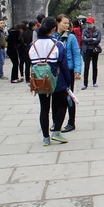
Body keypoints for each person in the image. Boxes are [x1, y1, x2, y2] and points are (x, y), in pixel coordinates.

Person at [29, 17, 71, 146]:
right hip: (56, 78)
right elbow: (64, 65)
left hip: (40, 80)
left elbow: (31, 63)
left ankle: (45, 138)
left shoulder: (33, 45)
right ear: (54, 28)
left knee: (44, 108)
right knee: (62, 105)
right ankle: (57, 131)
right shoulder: (57, 44)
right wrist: (68, 82)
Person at [54, 14, 81, 133]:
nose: (67, 25)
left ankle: (71, 122)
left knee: (69, 95)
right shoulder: (53, 37)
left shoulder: (71, 38)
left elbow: (76, 54)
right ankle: (56, 122)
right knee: (55, 97)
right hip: (54, 70)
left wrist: (77, 70)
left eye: (67, 23)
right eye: (64, 23)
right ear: (57, 23)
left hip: (67, 70)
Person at [81, 17, 101, 89]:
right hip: (86, 50)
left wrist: (88, 40)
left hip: (95, 50)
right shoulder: (84, 31)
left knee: (94, 66)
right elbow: (83, 39)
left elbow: (98, 40)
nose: (89, 25)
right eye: (88, 23)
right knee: (86, 67)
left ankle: (94, 82)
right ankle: (85, 83)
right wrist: (92, 39)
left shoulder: (97, 31)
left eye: (90, 23)